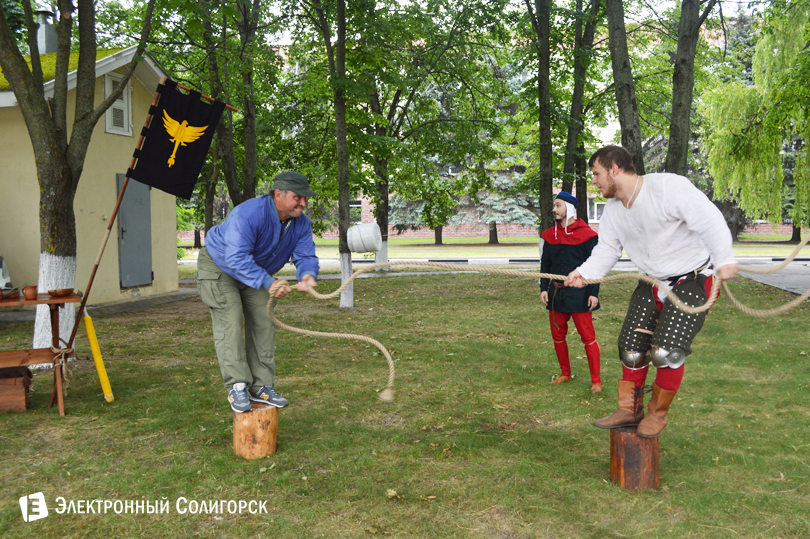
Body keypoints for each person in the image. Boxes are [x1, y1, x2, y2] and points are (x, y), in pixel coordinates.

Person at [565, 145, 739, 437]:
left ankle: (658, 414)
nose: (593, 181)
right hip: (652, 281)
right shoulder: (613, 211)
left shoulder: (668, 187)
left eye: (596, 174)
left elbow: (708, 219)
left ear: (614, 169)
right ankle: (628, 410)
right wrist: (585, 273)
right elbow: (607, 250)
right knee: (631, 351)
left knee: (665, 352)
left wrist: (724, 259)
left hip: (692, 280)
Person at [196, 171, 319, 413]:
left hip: (254, 272)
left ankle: (261, 386)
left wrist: (307, 275)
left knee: (264, 320)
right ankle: (238, 386)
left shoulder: (301, 223)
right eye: (297, 197)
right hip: (220, 266)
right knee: (230, 320)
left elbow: (305, 255)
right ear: (278, 195)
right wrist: (268, 282)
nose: (303, 204)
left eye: (306, 198)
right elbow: (235, 257)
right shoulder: (249, 213)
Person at [540, 191, 603, 393]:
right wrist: (543, 288)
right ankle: (565, 373)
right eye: (554, 206)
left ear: (570, 208)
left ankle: (596, 381)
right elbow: (545, 264)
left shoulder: (588, 235)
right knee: (558, 335)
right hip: (556, 293)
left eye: (558, 206)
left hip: (580, 293)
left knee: (588, 337)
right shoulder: (550, 235)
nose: (554, 210)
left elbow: (595, 266)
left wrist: (593, 292)